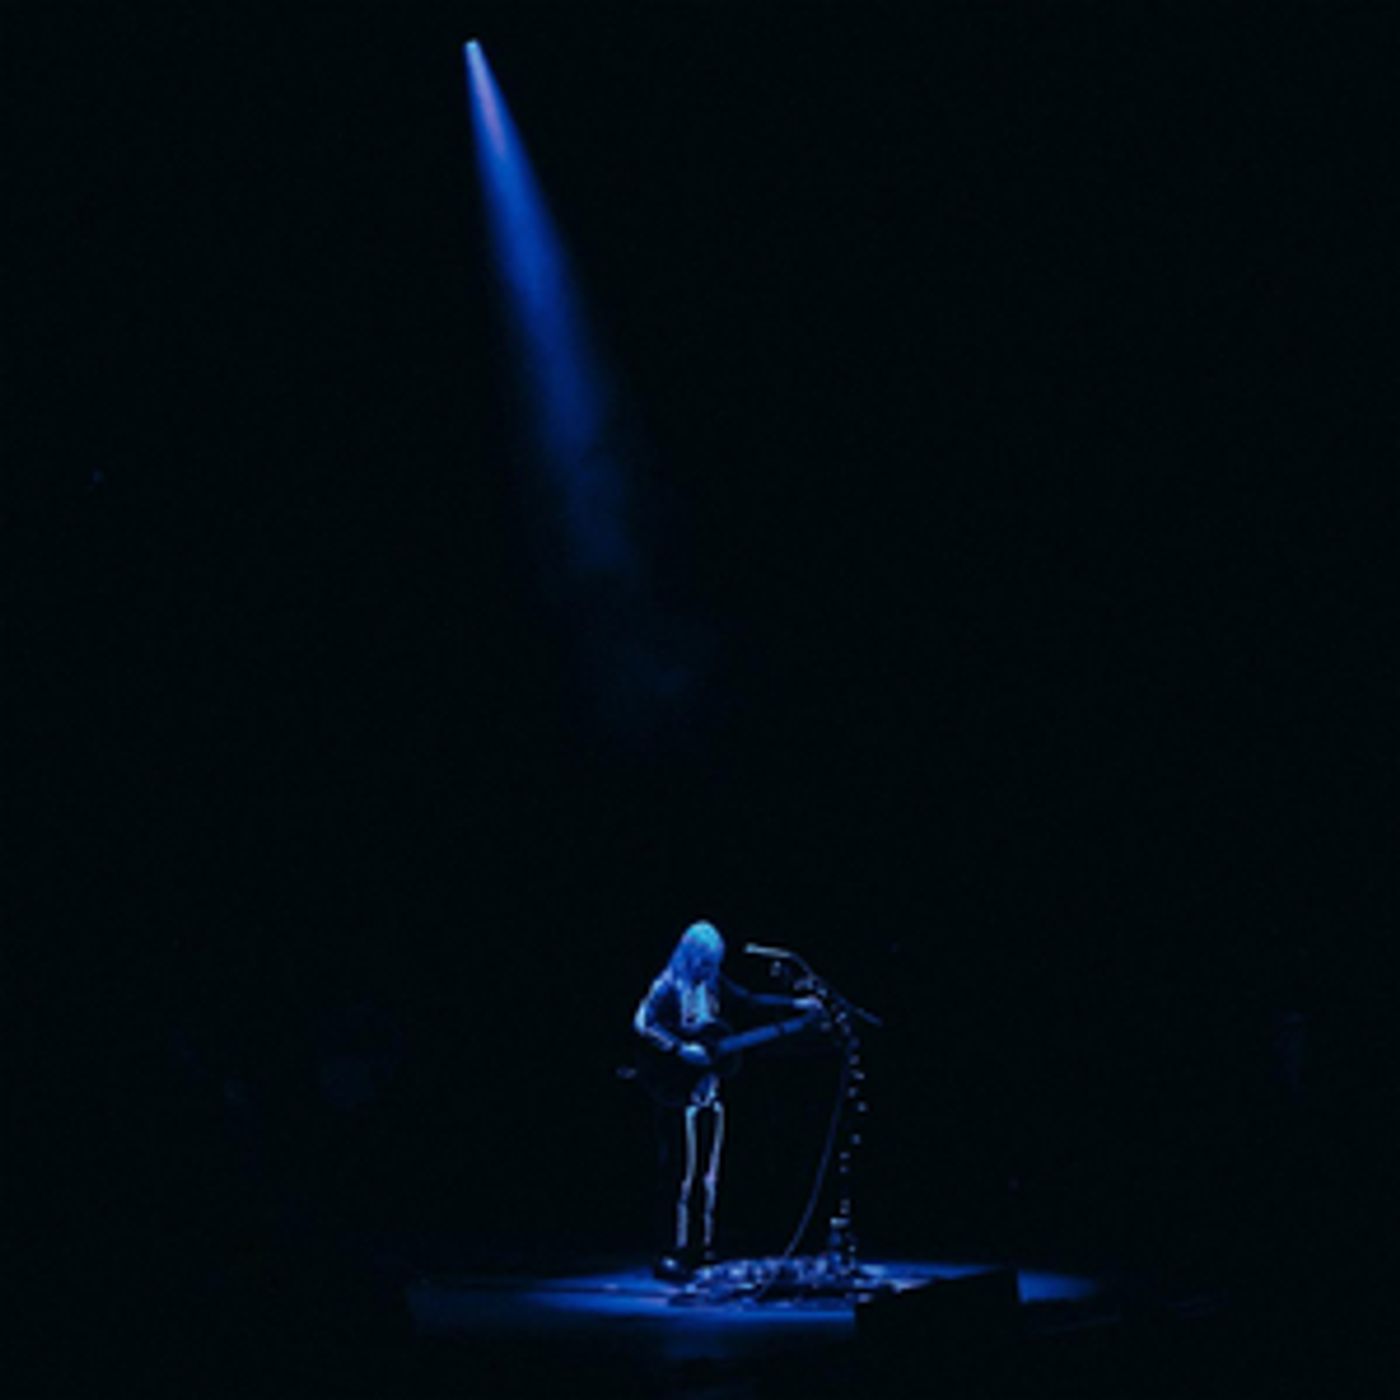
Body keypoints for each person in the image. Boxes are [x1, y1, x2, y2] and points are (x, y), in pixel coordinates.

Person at [633, 920, 820, 1279]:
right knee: (681, 1174)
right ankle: (673, 1248)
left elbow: (750, 1000)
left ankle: (702, 1246)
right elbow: (643, 1023)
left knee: (709, 1174)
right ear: (691, 956)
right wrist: (679, 1049)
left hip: (709, 1086)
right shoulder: (667, 985)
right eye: (705, 960)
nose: (710, 967)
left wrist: (795, 1004)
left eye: (713, 961)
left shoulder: (714, 983)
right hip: (677, 1089)